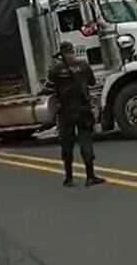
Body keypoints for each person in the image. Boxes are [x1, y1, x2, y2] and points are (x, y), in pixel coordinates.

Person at [43, 41, 105, 187]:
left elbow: (47, 87)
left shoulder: (56, 69)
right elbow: (92, 82)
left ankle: (68, 178)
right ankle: (90, 177)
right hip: (83, 108)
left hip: (65, 111)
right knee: (85, 141)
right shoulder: (83, 65)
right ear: (72, 51)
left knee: (67, 144)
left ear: (61, 53)